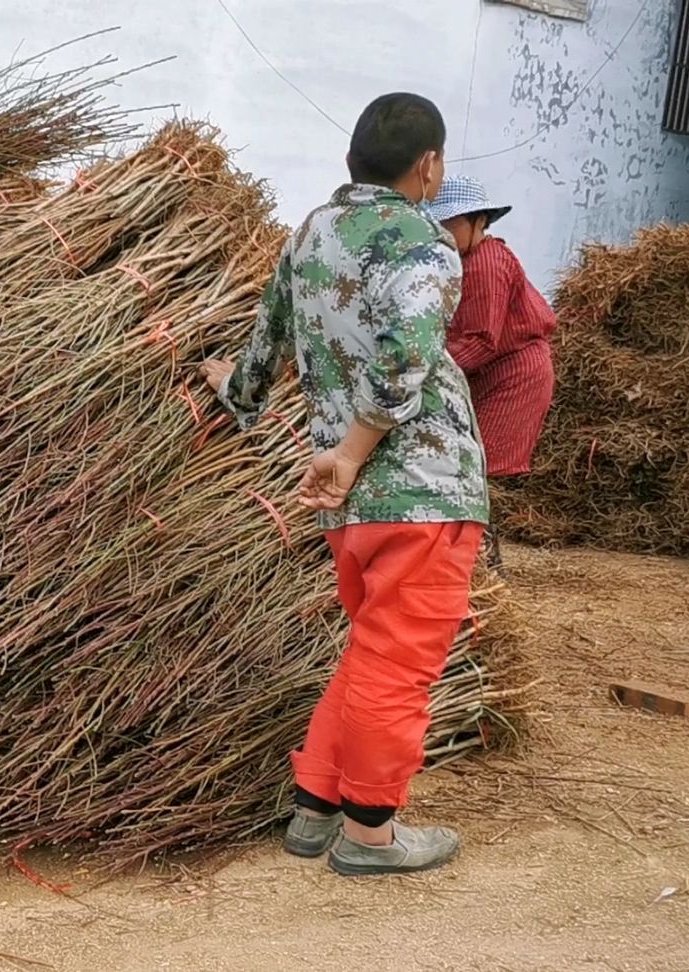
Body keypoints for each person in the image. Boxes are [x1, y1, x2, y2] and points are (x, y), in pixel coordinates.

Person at [200, 92, 487, 876]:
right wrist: (357, 450)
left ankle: (317, 804)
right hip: (421, 490)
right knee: (401, 667)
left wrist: (239, 390)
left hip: (351, 507)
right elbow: (405, 360)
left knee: (371, 652)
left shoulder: (312, 234)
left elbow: (266, 343)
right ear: (428, 167)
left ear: (350, 160)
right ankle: (371, 834)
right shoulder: (426, 244)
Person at [426, 176, 557, 572]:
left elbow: (481, 341)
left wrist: (416, 371)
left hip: (511, 376)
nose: (439, 233)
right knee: (458, 464)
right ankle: (469, 560)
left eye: (448, 225)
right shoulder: (455, 260)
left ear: (477, 221)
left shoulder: (485, 261)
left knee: (471, 469)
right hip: (477, 373)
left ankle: (478, 566)